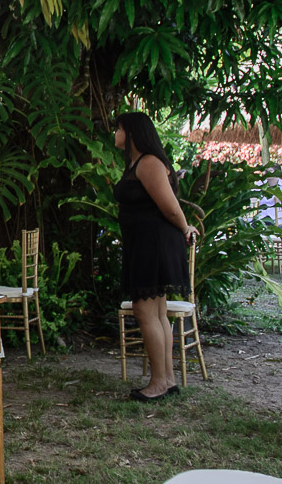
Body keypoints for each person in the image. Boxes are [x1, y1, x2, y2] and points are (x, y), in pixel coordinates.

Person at [113, 111, 197, 401]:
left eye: (119, 129)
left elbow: (170, 207)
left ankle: (159, 382)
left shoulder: (148, 163)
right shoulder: (140, 162)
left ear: (132, 132)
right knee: (158, 313)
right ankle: (167, 379)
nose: (115, 134)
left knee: (146, 312)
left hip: (153, 246)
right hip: (146, 244)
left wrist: (186, 227)